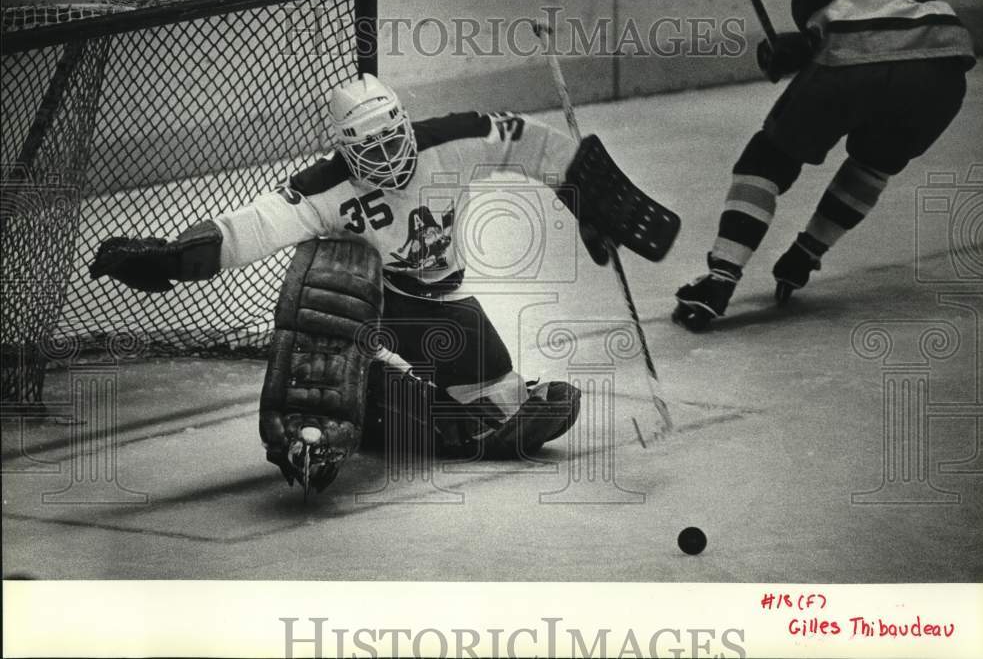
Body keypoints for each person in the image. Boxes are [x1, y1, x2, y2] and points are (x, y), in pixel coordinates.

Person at [90, 73, 678, 493]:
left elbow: (532, 142)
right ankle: (309, 426)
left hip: (442, 302)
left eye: (395, 140)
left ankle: (378, 403)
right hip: (372, 302)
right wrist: (173, 258)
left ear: (405, 125)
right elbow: (252, 228)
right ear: (345, 150)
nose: (390, 158)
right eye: (371, 150)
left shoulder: (451, 138)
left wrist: (590, 198)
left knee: (499, 412)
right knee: (331, 279)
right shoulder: (326, 187)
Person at [673, 0, 976, 331]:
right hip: (943, 68)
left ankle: (719, 278)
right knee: (872, 164)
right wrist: (805, 45)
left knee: (766, 162)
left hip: (861, 57)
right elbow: (887, 11)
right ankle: (803, 256)